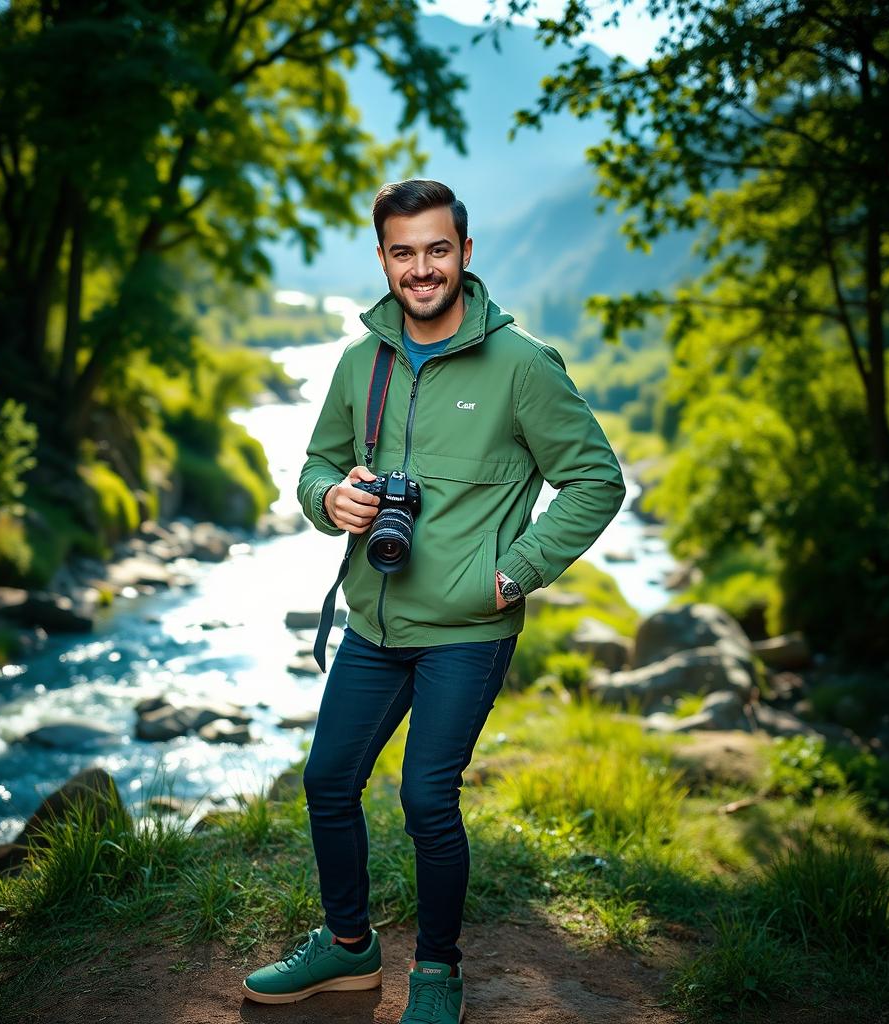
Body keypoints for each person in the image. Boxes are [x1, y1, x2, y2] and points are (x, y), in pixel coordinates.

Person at [242, 179, 626, 1022]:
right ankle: (349, 950)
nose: (422, 269)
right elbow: (316, 464)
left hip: (468, 628)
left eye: (437, 250)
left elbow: (596, 479)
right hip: (374, 622)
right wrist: (327, 501)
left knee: (425, 798)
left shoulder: (523, 366)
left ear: (465, 253)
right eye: (403, 252)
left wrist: (516, 570)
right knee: (328, 781)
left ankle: (439, 972)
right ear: (382, 259)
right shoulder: (359, 363)